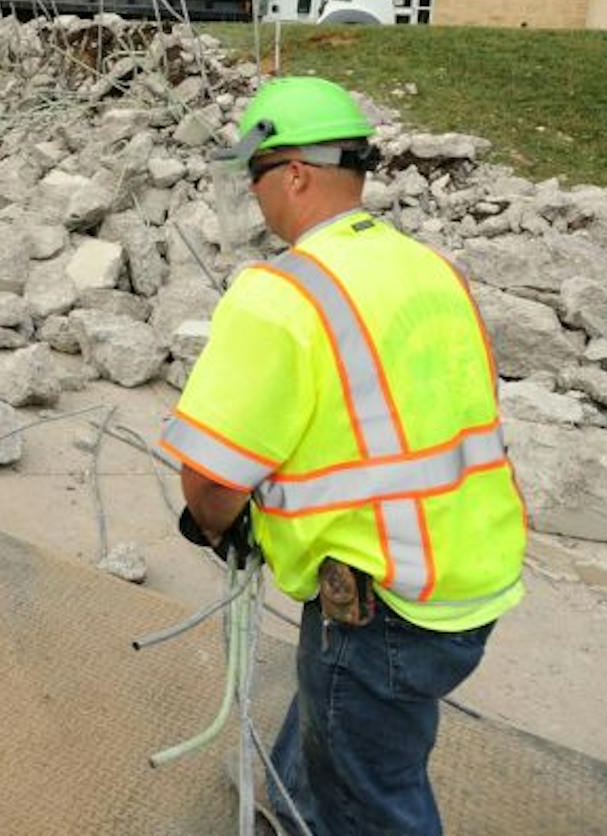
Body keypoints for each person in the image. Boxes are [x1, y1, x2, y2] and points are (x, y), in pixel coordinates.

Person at [163, 76, 526, 835]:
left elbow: (212, 478)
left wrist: (219, 524)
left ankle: (317, 813)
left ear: (294, 171)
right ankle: (289, 804)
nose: (254, 196)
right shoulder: (428, 267)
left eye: (256, 175)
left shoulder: (282, 293)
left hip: (383, 601)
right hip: (471, 572)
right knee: (341, 717)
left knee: (373, 799)